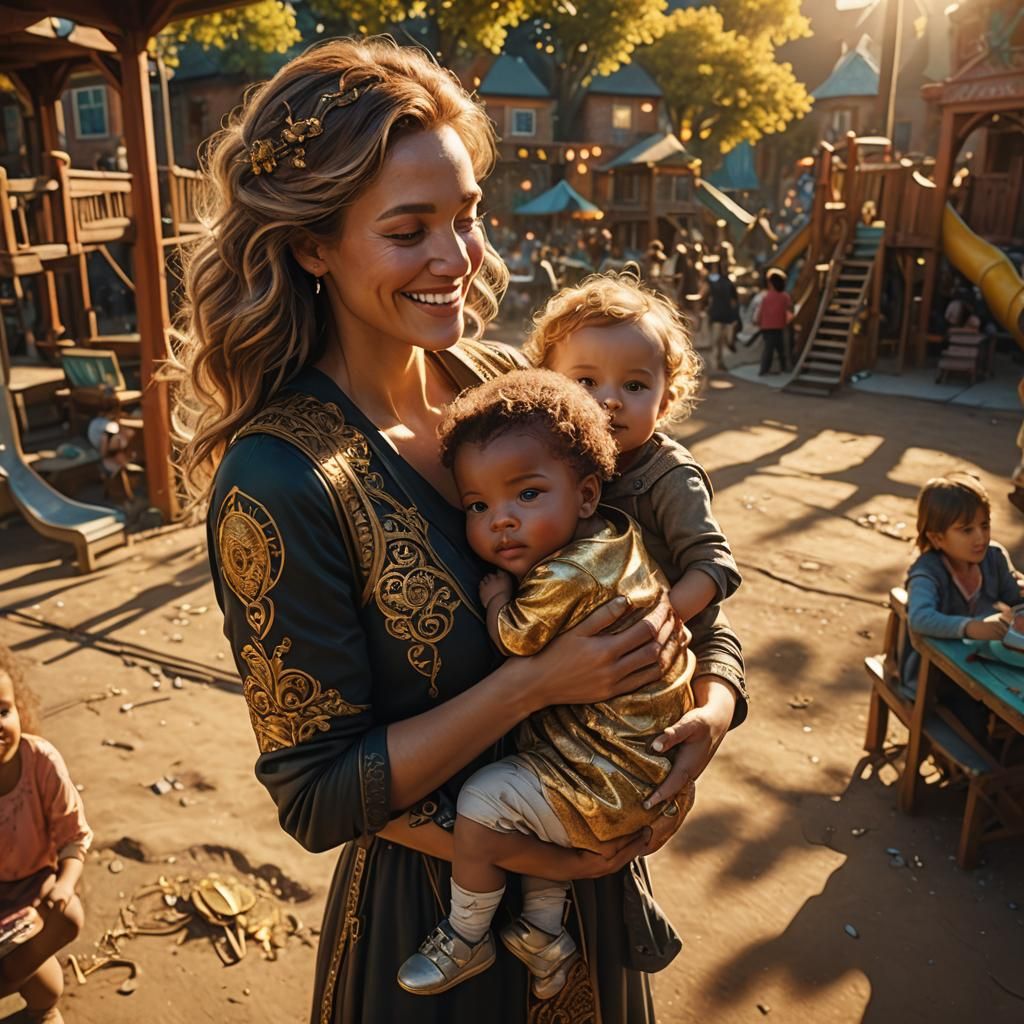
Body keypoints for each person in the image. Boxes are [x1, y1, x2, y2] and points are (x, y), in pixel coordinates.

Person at [175, 37, 747, 1024]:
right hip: (434, 926)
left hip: (596, 892)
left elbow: (663, 558)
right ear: (312, 247)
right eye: (410, 230)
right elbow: (316, 792)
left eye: (467, 217)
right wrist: (535, 686)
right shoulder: (278, 482)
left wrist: (717, 704)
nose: (457, 259)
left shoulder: (504, 385)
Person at [398, 370, 698, 998]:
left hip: (607, 773)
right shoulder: (617, 537)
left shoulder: (565, 575)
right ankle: (544, 935)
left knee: (486, 801)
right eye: (478, 506)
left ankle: (466, 935)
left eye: (527, 495)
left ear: (586, 495)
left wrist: (496, 597)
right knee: (538, 808)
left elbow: (516, 639)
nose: (501, 522)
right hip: (640, 767)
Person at [525, 271, 741, 626]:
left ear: (665, 403)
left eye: (635, 386)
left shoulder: (670, 477)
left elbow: (712, 564)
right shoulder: (546, 460)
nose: (610, 400)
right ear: (546, 386)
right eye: (587, 381)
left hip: (673, 638)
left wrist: (658, 625)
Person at [0, 646, 91, 1024]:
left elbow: (74, 836)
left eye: (2, 711)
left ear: (18, 709)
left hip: (35, 887)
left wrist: (64, 884)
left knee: (68, 916)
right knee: (44, 986)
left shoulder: (40, 760)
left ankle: (29, 1000)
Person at [904, 473, 1019, 732]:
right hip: (936, 678)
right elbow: (920, 618)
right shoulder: (927, 573)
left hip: (983, 665)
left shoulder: (994, 557)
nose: (980, 537)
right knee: (978, 725)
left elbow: (1015, 596)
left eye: (985, 525)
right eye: (967, 530)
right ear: (937, 538)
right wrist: (970, 627)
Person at [701, 256, 739, 371]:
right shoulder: (727, 281)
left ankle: (717, 363)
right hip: (724, 315)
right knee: (720, 340)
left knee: (717, 340)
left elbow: (702, 294)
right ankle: (718, 362)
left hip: (719, 314)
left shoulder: (712, 281)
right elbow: (734, 301)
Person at [755, 268, 793, 376]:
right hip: (779, 326)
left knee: (769, 348)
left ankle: (765, 369)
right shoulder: (785, 297)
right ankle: (782, 368)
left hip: (766, 327)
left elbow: (760, 312)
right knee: (780, 348)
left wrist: (758, 322)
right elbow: (790, 310)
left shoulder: (766, 297)